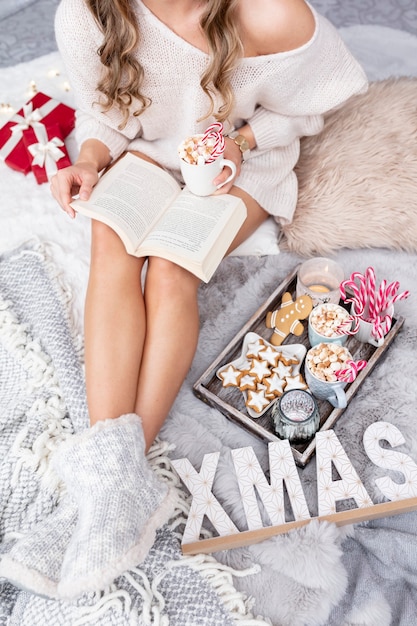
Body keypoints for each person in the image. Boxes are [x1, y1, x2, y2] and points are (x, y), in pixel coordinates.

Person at [0, 0, 368, 601]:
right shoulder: (87, 14)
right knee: (109, 236)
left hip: (240, 169)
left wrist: (240, 140)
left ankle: (109, 489)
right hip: (145, 154)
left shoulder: (273, 14)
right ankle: (114, 485)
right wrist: (88, 162)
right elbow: (101, 113)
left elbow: (310, 110)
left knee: (171, 267)